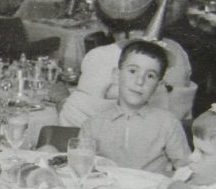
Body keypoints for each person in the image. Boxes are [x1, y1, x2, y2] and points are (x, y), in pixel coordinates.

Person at [60, 0, 194, 126]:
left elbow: (76, 123)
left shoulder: (101, 57)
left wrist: (60, 100)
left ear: (102, 15)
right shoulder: (177, 52)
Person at [80, 40, 190, 175]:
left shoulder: (168, 123)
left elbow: (185, 169)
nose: (139, 81)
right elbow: (82, 168)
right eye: (133, 71)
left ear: (158, 85)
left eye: (150, 76)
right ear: (116, 75)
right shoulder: (93, 124)